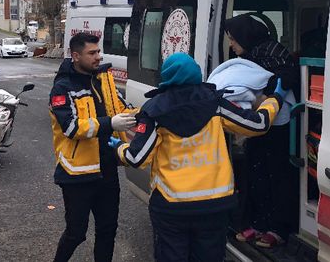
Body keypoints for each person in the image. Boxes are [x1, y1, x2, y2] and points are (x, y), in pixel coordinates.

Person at [114, 53, 285, 262]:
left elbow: (136, 158)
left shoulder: (154, 111)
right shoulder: (215, 103)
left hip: (171, 206)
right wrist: (275, 99)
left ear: (166, 76)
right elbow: (258, 124)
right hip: (214, 206)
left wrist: (119, 148)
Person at [48, 32, 138, 262]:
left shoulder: (103, 81)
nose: (98, 57)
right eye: (92, 53)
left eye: (98, 52)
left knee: (107, 231)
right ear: (76, 56)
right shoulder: (62, 88)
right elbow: (71, 128)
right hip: (77, 174)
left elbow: (123, 109)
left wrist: (147, 112)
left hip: (107, 169)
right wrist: (110, 123)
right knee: (76, 233)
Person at [223, 13, 300, 248]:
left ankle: (277, 228)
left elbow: (289, 78)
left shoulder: (274, 54)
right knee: (255, 174)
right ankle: (256, 223)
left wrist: (268, 95)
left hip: (279, 126)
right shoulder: (245, 58)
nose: (231, 45)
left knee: (277, 175)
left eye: (233, 39)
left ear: (246, 37)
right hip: (254, 124)